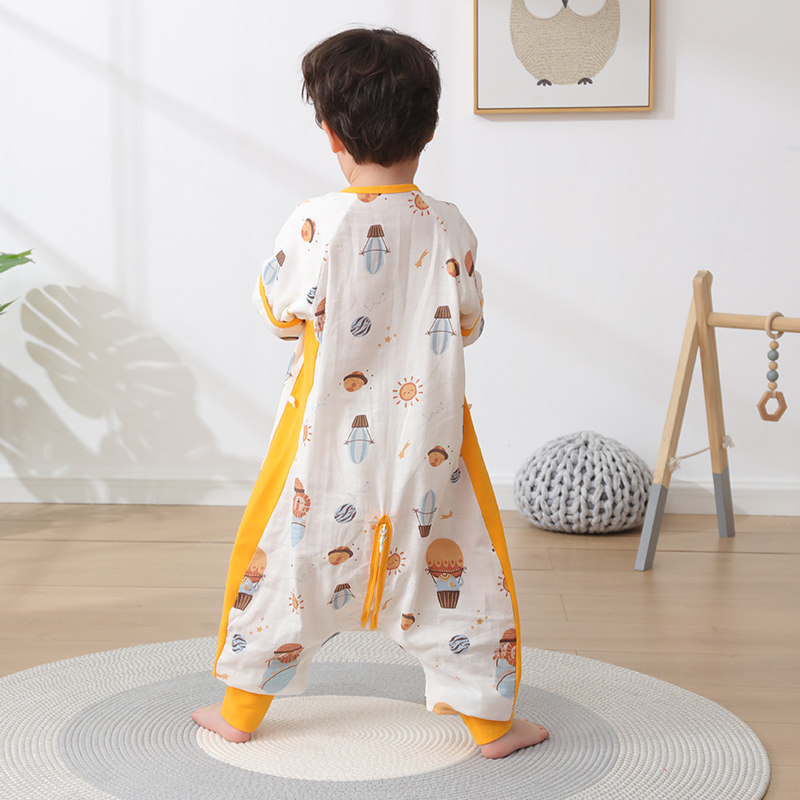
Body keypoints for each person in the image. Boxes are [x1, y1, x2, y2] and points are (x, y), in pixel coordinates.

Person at [192, 27, 549, 759]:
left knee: (283, 567)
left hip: (319, 453)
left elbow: (277, 314)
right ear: (430, 128)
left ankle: (239, 711)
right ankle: (492, 725)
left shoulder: (315, 223)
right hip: (432, 448)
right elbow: (470, 323)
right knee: (464, 574)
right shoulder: (449, 226)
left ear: (329, 133)